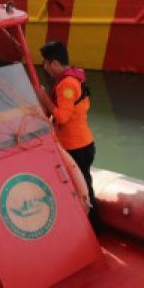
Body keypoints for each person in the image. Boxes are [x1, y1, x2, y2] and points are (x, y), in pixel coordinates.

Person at [39, 39, 102, 232]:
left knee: (82, 189)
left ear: (55, 63)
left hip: (76, 147)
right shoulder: (75, 79)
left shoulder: (66, 85)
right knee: (85, 186)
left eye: (46, 63)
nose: (45, 67)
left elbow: (62, 117)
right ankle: (92, 226)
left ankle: (92, 227)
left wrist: (43, 99)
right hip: (82, 144)